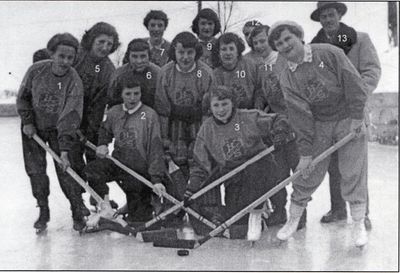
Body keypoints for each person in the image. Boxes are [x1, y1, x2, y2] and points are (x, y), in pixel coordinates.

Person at [268, 21, 369, 247]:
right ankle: (292, 218)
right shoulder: (287, 77)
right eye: (279, 44)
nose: (285, 45)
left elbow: (354, 83)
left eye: (287, 39)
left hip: (348, 116)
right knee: (308, 171)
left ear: (299, 36)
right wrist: (305, 153)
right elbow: (299, 116)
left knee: (352, 171)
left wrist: (356, 118)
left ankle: (359, 223)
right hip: (321, 123)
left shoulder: (328, 52)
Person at [185, 85, 292, 240]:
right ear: (209, 107)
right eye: (216, 105)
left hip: (260, 169)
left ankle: (265, 210)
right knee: (238, 221)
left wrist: (280, 131)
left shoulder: (247, 117)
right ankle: (254, 212)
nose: (221, 109)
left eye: (225, 104)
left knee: (257, 172)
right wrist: (192, 188)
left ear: (233, 103)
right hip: (234, 177)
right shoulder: (207, 128)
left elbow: (278, 119)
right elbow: (200, 163)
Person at [310, 1, 381, 230]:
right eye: (323, 17)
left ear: (339, 15)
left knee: (356, 164)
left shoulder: (360, 39)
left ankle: (362, 212)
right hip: (328, 115)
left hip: (353, 112)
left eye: (331, 15)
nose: (327, 20)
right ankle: (338, 209)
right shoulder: (314, 47)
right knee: (333, 164)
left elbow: (372, 70)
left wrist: (357, 93)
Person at [17, 33, 86, 232]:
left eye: (70, 58)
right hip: (33, 129)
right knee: (36, 171)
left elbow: (70, 116)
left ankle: (76, 210)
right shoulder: (36, 71)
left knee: (66, 171)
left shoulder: (74, 81)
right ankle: (43, 209)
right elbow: (23, 98)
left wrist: (64, 149)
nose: (65, 61)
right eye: (61, 56)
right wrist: (28, 122)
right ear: (52, 54)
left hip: (59, 130)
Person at [246, 24, 307, 229]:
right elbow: (262, 94)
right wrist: (259, 113)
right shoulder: (261, 65)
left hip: (295, 123)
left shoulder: (284, 60)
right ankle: (279, 210)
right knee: (277, 171)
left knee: (297, 168)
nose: (260, 46)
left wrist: (293, 119)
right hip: (275, 125)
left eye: (263, 41)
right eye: (255, 43)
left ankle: (300, 213)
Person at [84, 76, 166, 223]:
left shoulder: (149, 115)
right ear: (121, 94)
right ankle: (106, 207)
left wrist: (156, 179)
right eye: (128, 94)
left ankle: (143, 204)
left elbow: (155, 149)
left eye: (136, 93)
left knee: (139, 219)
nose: (132, 98)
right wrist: (103, 143)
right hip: (119, 164)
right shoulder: (114, 112)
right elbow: (105, 130)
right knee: (93, 169)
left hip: (139, 171)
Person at [154, 31, 215, 180]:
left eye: (190, 52)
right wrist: (164, 138)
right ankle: (175, 199)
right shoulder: (165, 73)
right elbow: (162, 108)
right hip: (174, 123)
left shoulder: (205, 72)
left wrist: (205, 137)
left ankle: (203, 200)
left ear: (196, 52)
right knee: (175, 164)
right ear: (174, 52)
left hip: (198, 122)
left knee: (199, 161)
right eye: (181, 52)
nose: (185, 57)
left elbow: (209, 110)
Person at [211, 32, 264, 110]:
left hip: (253, 111)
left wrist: (258, 106)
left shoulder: (250, 65)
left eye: (231, 49)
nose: (228, 53)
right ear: (218, 53)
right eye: (224, 49)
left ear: (237, 51)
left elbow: (260, 89)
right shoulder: (215, 75)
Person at [109, 38, 160, 109]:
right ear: (128, 57)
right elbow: (112, 102)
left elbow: (162, 103)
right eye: (134, 56)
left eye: (143, 56)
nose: (139, 61)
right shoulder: (119, 75)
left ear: (149, 56)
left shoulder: (158, 74)